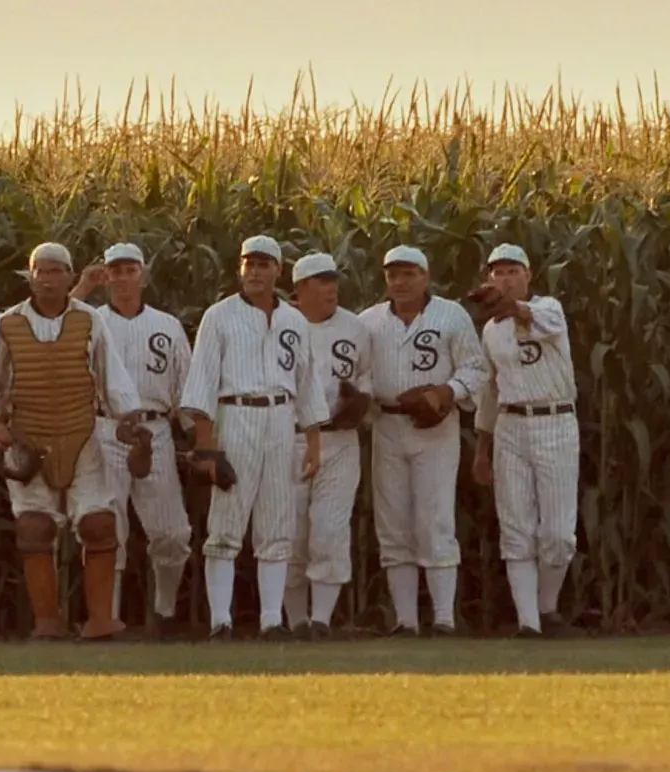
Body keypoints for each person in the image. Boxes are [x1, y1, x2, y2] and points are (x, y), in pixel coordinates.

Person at [0, 242, 143, 641]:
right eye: (40, 272)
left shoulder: (90, 320)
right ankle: (47, 622)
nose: (47, 279)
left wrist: (128, 417)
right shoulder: (8, 323)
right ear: (30, 277)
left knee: (99, 524)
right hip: (28, 438)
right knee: (34, 527)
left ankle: (99, 620)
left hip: (82, 436)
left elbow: (111, 374)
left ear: (69, 276)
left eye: (55, 271)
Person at [179, 235, 330, 641]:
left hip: (281, 417)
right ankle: (220, 621)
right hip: (236, 414)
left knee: (277, 521)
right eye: (250, 263)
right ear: (240, 268)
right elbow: (203, 379)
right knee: (226, 523)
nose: (256, 271)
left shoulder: (294, 320)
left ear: (278, 270)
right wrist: (207, 446)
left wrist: (313, 441)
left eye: (264, 264)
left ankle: (271, 620)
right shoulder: (219, 316)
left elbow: (307, 381)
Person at [357, 245, 488, 636]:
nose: (400, 282)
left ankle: (444, 618)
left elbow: (476, 368)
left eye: (408, 274)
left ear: (426, 277)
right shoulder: (368, 321)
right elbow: (358, 374)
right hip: (387, 423)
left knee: (435, 519)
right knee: (392, 522)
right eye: (393, 275)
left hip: (436, 427)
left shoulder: (451, 315)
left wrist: (446, 392)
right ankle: (406, 620)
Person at [69, 242, 194, 641]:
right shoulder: (90, 320)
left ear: (144, 275)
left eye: (130, 270)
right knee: (109, 529)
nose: (123, 278)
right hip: (105, 428)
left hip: (154, 429)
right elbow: (50, 326)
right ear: (105, 276)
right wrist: (82, 287)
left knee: (173, 533)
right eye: (115, 271)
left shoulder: (167, 325)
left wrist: (198, 437)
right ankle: (107, 619)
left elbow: (186, 388)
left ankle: (165, 613)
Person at [470, 244, 579, 637]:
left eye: (513, 271)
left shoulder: (549, 308)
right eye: (497, 272)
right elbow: (489, 390)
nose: (505, 278)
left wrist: (512, 307)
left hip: (555, 420)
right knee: (516, 529)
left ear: (528, 274)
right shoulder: (490, 330)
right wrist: (482, 449)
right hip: (510, 425)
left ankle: (548, 607)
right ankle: (528, 623)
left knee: (558, 535)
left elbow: (537, 318)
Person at [281, 252, 372, 640]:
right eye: (321, 281)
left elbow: (366, 379)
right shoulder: (280, 324)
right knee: (290, 532)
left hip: (339, 440)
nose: (331, 288)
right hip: (289, 438)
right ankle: (295, 621)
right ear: (300, 288)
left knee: (329, 529)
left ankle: (320, 620)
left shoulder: (354, 327)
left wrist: (359, 403)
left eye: (333, 280)